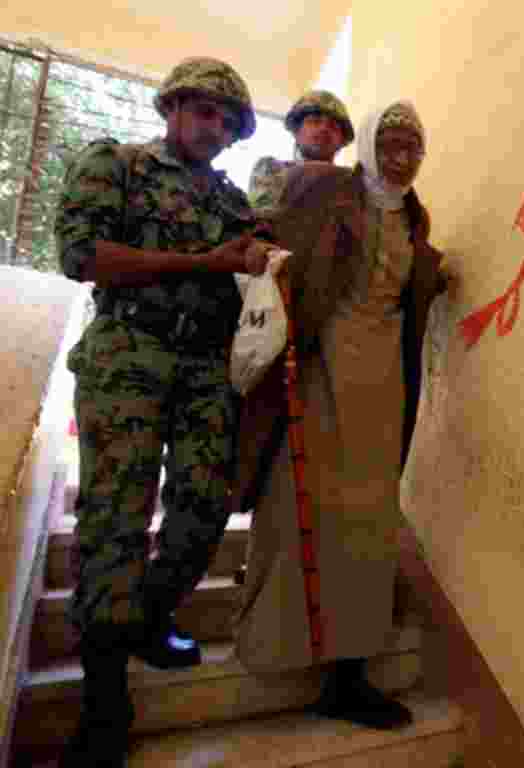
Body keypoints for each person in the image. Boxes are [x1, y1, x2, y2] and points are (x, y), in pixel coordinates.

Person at [53, 56, 275, 767]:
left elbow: (256, 255)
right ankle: (104, 694)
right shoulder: (116, 163)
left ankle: (146, 619)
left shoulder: (231, 199)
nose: (214, 128)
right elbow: (82, 255)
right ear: (173, 106)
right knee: (116, 518)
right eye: (203, 111)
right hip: (128, 353)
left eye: (227, 121)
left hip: (205, 370)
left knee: (206, 508)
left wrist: (265, 254)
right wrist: (209, 264)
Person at [233, 100, 448, 730]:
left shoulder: (415, 214)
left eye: (414, 147)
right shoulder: (322, 185)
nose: (403, 158)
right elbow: (272, 239)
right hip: (318, 369)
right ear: (369, 146)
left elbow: (407, 281)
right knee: (300, 504)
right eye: (391, 144)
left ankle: (346, 674)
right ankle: (280, 645)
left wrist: (439, 275)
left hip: (383, 384)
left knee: (368, 521)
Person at [247, 90, 354, 210]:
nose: (324, 128)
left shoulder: (352, 183)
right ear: (297, 131)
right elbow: (261, 219)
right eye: (315, 121)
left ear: (342, 141)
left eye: (333, 126)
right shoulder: (270, 171)